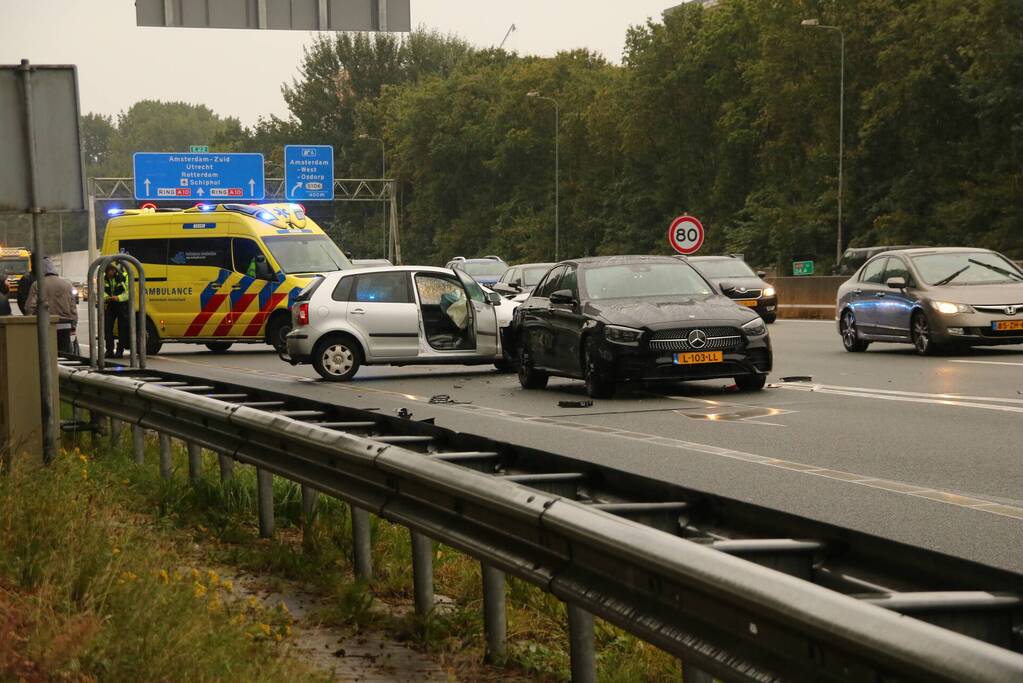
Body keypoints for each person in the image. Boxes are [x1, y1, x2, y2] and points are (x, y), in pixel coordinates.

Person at [24, 257, 78, 353]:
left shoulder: (37, 285)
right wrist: (73, 325)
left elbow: (29, 307)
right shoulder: (67, 284)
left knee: (46, 355)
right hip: (65, 325)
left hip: (45, 325)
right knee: (64, 355)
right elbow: (73, 308)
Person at [103, 263, 130, 358]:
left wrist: (118, 298)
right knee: (107, 328)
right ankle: (109, 350)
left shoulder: (124, 276)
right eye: (107, 271)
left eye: (111, 271)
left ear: (115, 270)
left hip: (122, 304)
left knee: (122, 329)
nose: (109, 273)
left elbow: (128, 293)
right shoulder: (104, 278)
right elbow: (101, 291)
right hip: (110, 304)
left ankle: (120, 351)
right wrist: (107, 297)